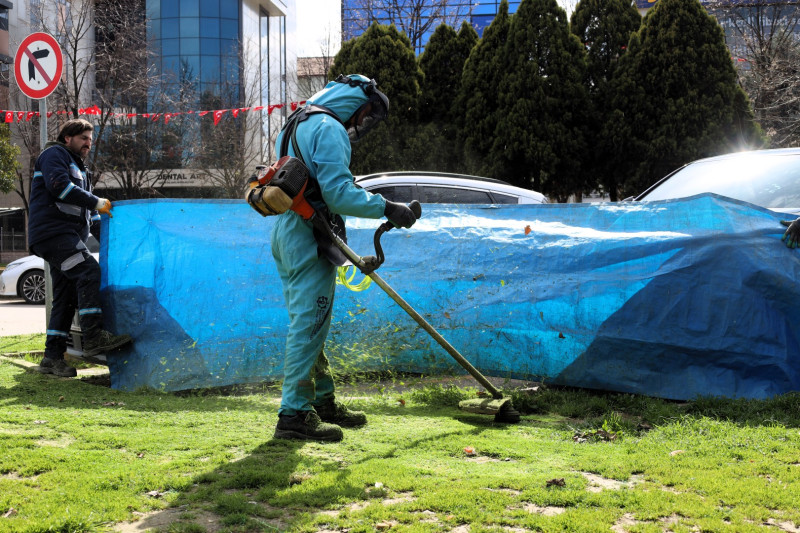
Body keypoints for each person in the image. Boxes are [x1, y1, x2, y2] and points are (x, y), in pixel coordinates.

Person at [269, 75, 417, 442]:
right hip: (309, 238)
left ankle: (322, 401)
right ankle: (293, 415)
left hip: (287, 234)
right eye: (365, 112)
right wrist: (388, 207)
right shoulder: (329, 128)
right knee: (310, 324)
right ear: (355, 102)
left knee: (311, 323)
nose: (361, 121)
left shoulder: (294, 124)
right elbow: (337, 194)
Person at [28, 119, 132, 378]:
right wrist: (96, 201)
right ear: (67, 138)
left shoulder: (81, 168)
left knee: (65, 297)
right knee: (88, 272)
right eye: (83, 138)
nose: (88, 143)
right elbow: (60, 188)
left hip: (63, 236)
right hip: (54, 234)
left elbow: (90, 215)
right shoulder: (54, 155)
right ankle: (94, 337)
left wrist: (115, 240)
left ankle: (52, 358)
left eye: (90, 139)